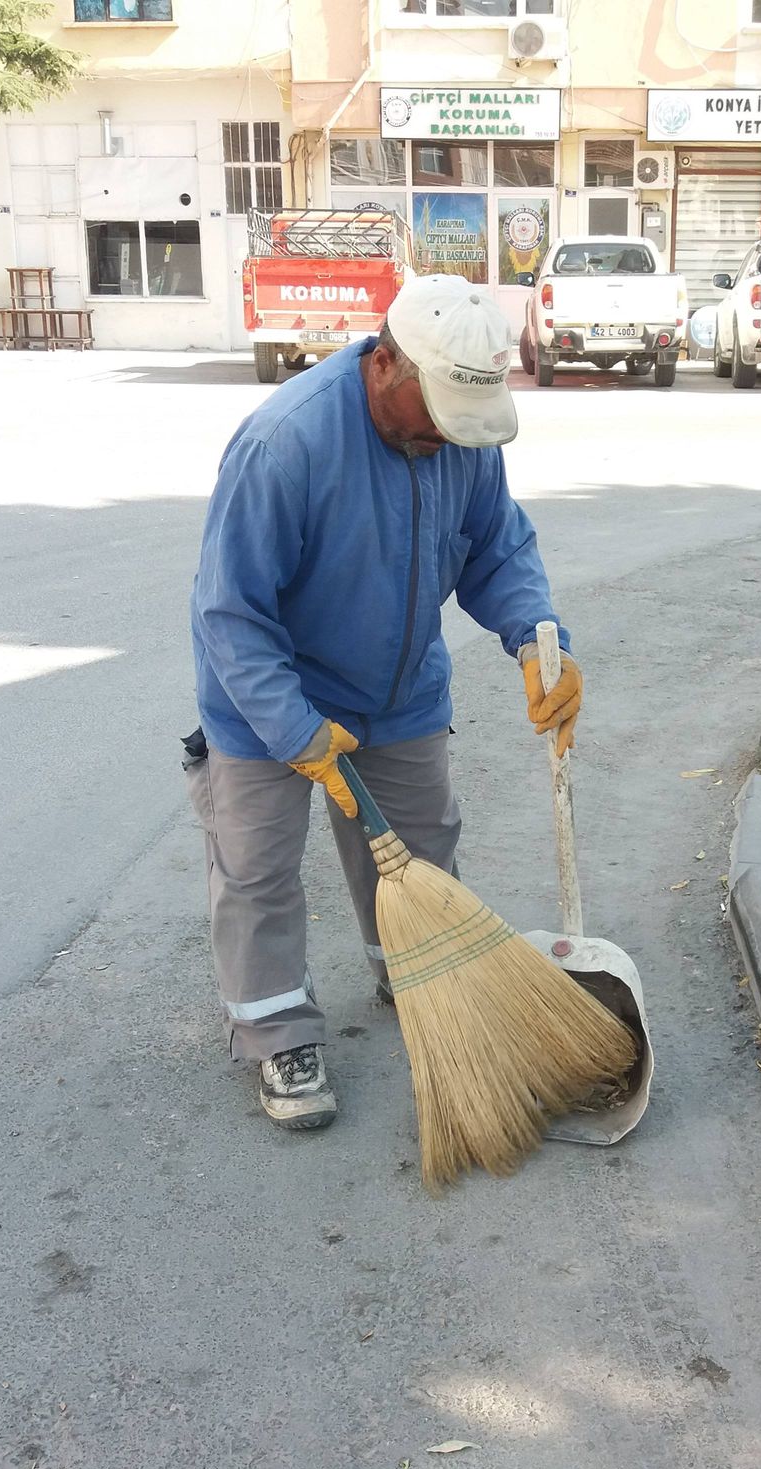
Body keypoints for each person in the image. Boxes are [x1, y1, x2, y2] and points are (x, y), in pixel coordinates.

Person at [188, 273, 583, 1130]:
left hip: (399, 689)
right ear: (387, 363)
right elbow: (230, 611)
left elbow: (496, 549)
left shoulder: (462, 432)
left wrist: (538, 638)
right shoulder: (284, 444)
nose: (449, 434)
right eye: (436, 411)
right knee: (257, 872)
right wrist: (294, 729)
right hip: (266, 700)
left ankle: (411, 970)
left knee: (418, 848)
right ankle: (276, 1033)